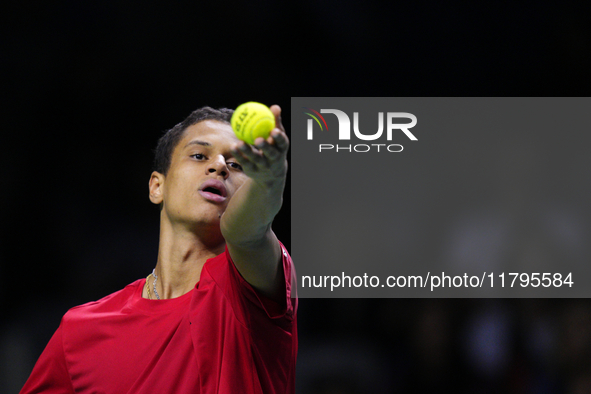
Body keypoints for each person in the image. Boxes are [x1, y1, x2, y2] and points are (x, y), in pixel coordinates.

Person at [20, 105, 297, 394]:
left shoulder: (252, 291)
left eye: (238, 165)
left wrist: (269, 181)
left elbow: (246, 232)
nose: (219, 166)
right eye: (199, 155)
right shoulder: (80, 332)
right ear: (157, 187)